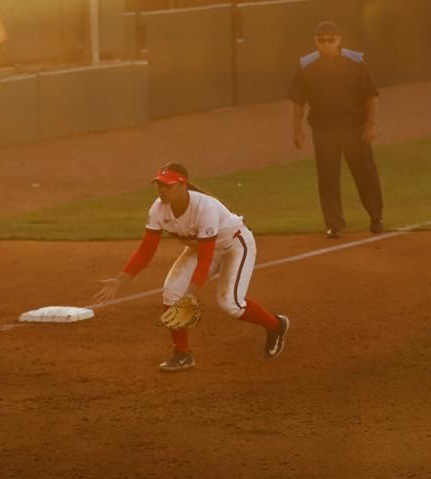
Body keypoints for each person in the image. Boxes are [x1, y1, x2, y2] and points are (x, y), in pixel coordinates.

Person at [93, 163, 290, 372]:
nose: (162, 190)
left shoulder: (205, 208)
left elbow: (205, 259)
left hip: (235, 245)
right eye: (159, 185)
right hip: (204, 248)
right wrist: (119, 280)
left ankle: (276, 325)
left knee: (230, 303)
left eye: (167, 186)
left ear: (182, 185)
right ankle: (182, 354)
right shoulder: (158, 209)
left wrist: (191, 294)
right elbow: (146, 251)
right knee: (171, 292)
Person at [289, 20, 384, 239]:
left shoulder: (356, 61)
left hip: (354, 128)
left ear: (339, 40)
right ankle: (334, 223)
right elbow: (298, 101)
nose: (326, 44)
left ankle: (376, 217)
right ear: (316, 42)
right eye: (321, 41)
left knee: (365, 174)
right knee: (328, 177)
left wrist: (370, 125)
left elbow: (370, 95)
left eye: (331, 40)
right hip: (323, 130)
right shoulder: (306, 65)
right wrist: (297, 129)